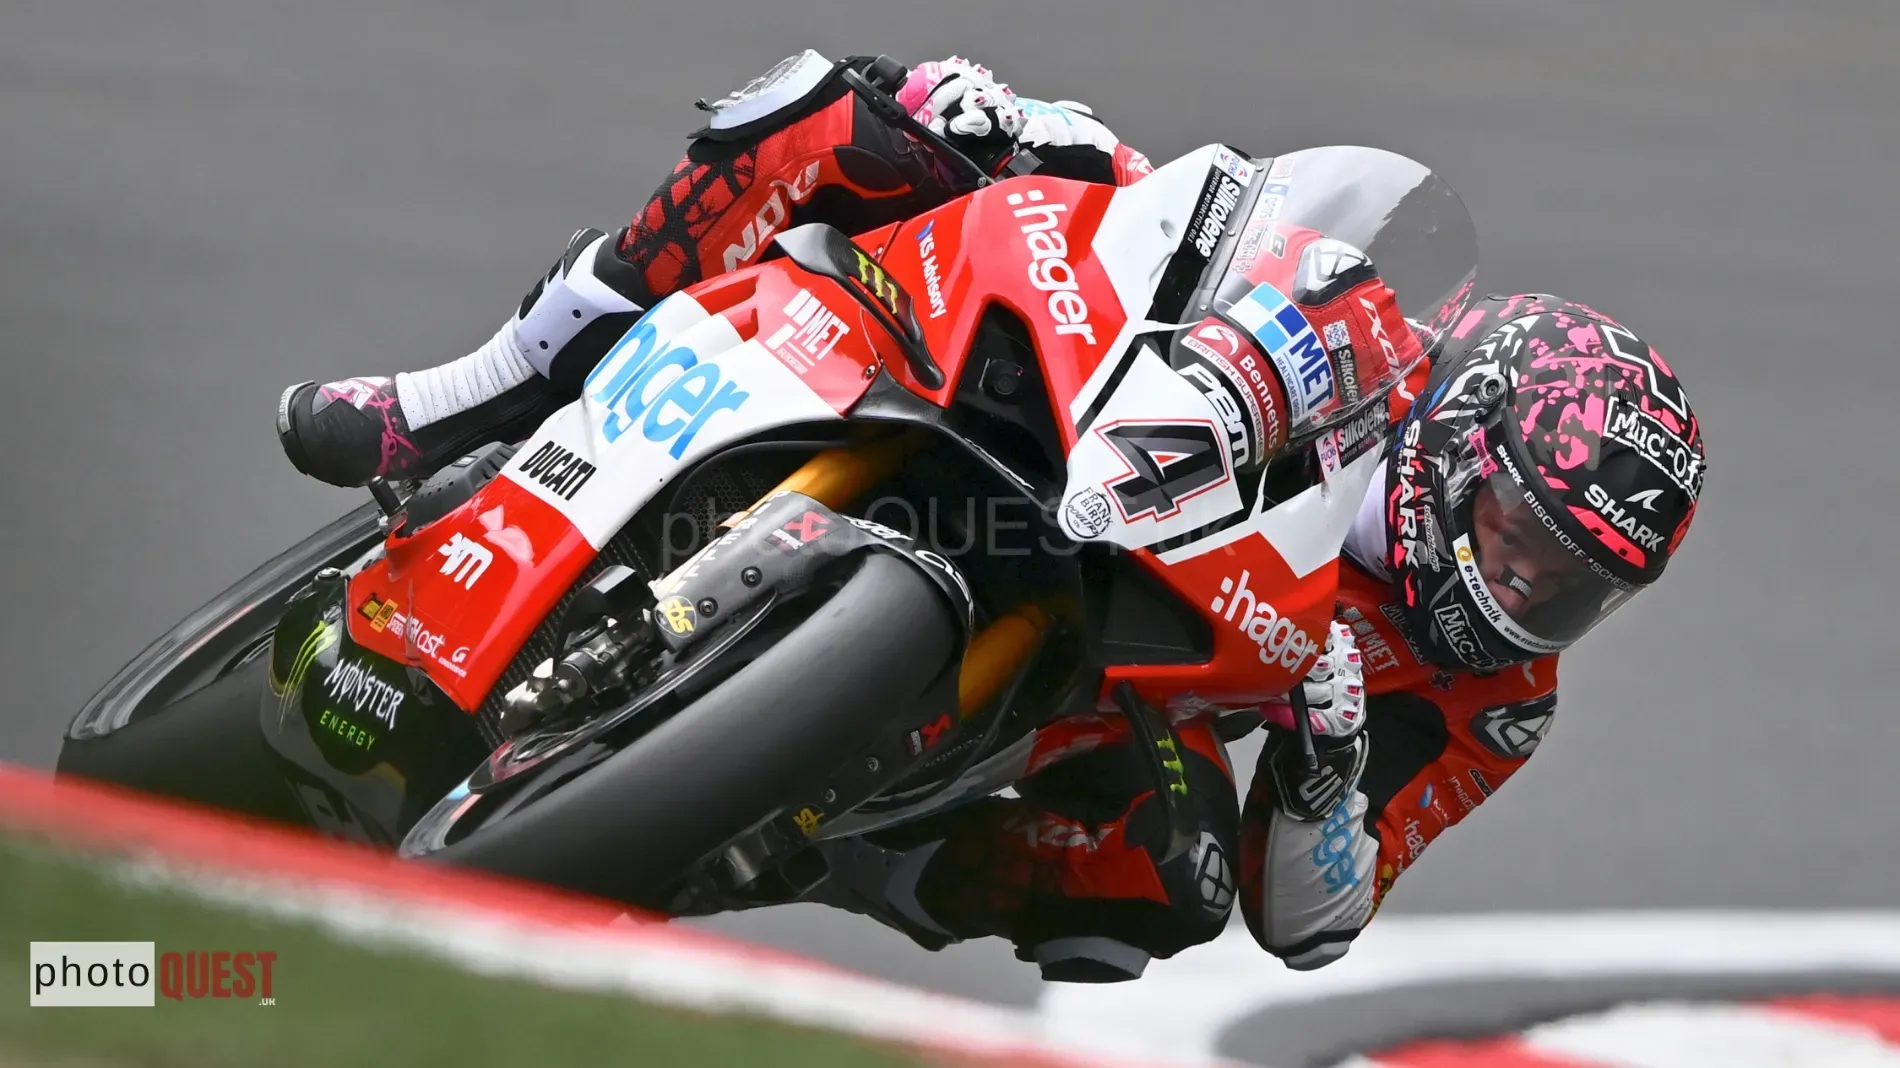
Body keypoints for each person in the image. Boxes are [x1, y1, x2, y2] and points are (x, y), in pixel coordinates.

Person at [274, 52, 1707, 981]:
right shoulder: (1371, 329)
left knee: (1175, 884)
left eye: (1573, 588)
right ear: (1463, 439)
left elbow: (1317, 920)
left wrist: (1329, 769)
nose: (1526, 595)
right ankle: (477, 392)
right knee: (841, 113)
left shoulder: (1495, 696)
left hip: (1128, 679)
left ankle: (851, 854)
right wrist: (1030, 129)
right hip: (1079, 428)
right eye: (1521, 540)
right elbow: (1185, 218)